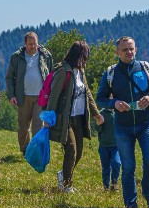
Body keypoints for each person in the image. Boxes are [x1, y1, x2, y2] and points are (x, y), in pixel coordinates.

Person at [96, 36, 149, 208]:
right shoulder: (110, 72)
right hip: (122, 126)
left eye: (132, 48)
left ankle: (148, 195)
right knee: (128, 166)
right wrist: (114, 104)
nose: (129, 52)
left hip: (146, 123)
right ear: (117, 52)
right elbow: (100, 98)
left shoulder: (145, 67)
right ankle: (130, 203)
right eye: (125, 49)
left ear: (136, 49)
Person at [45, 41, 105, 193]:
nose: (86, 60)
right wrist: (48, 117)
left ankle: (64, 175)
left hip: (79, 118)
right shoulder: (64, 71)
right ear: (78, 56)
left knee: (79, 153)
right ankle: (66, 185)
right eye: (85, 56)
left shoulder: (80, 72)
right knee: (71, 150)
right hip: (66, 119)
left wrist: (97, 114)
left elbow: (88, 94)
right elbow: (54, 96)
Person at [5, 31, 53, 155]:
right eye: (30, 44)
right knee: (23, 126)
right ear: (25, 44)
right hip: (23, 96)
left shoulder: (45, 55)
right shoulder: (16, 57)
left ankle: (35, 151)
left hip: (41, 97)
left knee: (38, 124)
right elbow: (9, 77)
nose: (33, 46)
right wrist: (11, 95)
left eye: (35, 44)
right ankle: (24, 149)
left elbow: (51, 75)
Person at [96, 108, 121, 192]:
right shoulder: (101, 113)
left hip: (116, 146)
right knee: (106, 167)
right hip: (104, 145)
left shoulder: (118, 112)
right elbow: (96, 128)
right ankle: (106, 187)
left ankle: (114, 183)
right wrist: (99, 123)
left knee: (116, 163)